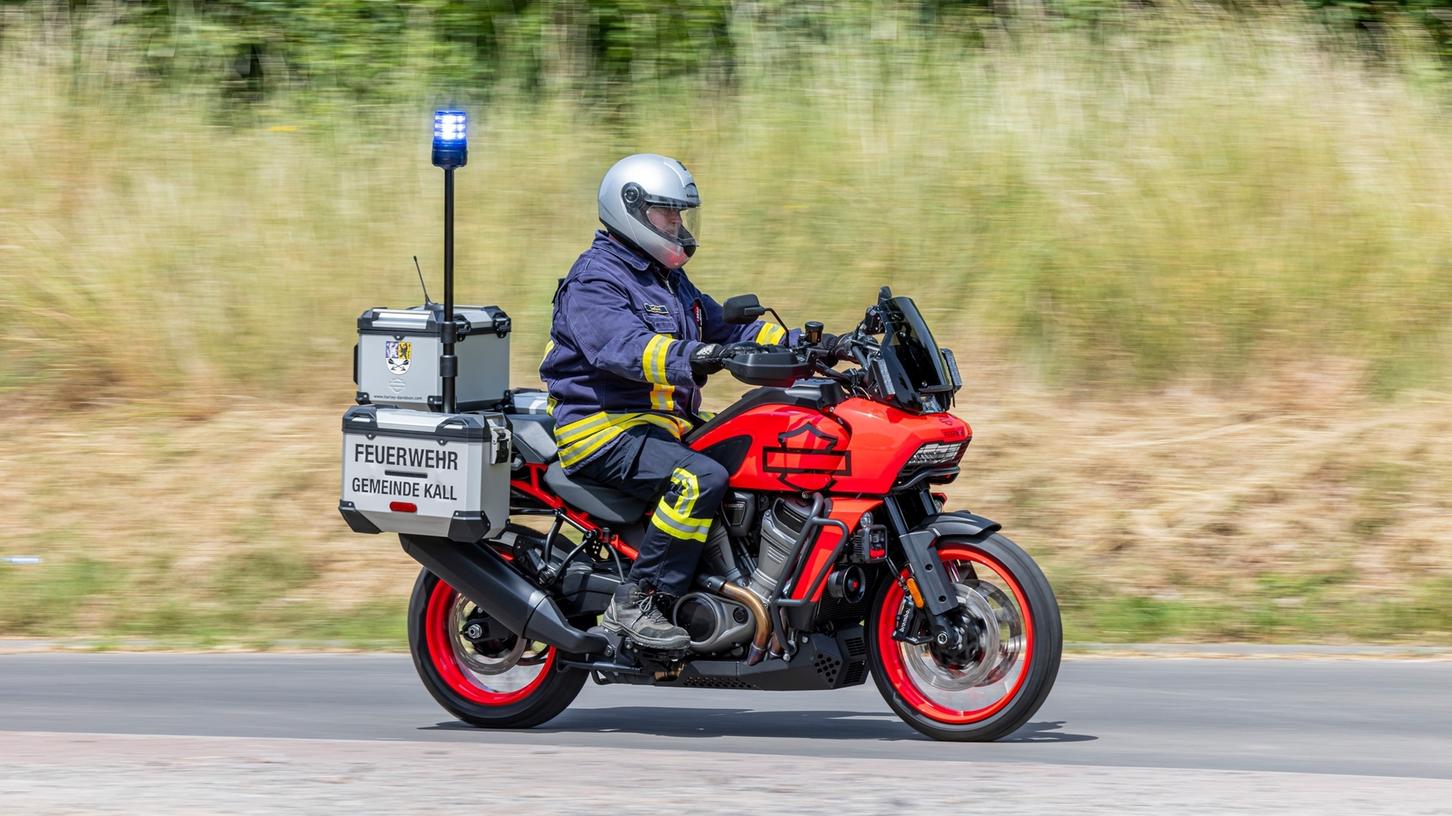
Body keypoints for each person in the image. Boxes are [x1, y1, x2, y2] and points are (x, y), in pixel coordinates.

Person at [539, 153, 796, 650]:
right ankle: (639, 600)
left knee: (757, 455)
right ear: (630, 209)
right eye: (667, 214)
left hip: (661, 426)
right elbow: (623, 348)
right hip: (602, 429)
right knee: (698, 478)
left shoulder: (665, 278)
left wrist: (806, 344)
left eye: (682, 214)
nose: (678, 225)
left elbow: (727, 325)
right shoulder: (596, 279)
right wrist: (700, 355)